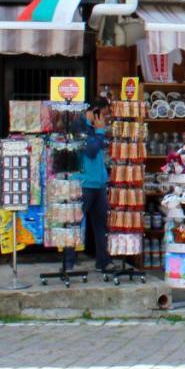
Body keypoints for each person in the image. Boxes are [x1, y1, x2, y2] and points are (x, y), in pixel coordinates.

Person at [63, 97, 111, 274]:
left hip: (98, 183)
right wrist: (99, 132)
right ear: (96, 110)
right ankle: (69, 262)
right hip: (83, 182)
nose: (104, 119)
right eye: (103, 114)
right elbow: (90, 151)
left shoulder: (94, 128)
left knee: (101, 224)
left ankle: (103, 261)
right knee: (75, 222)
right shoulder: (79, 126)